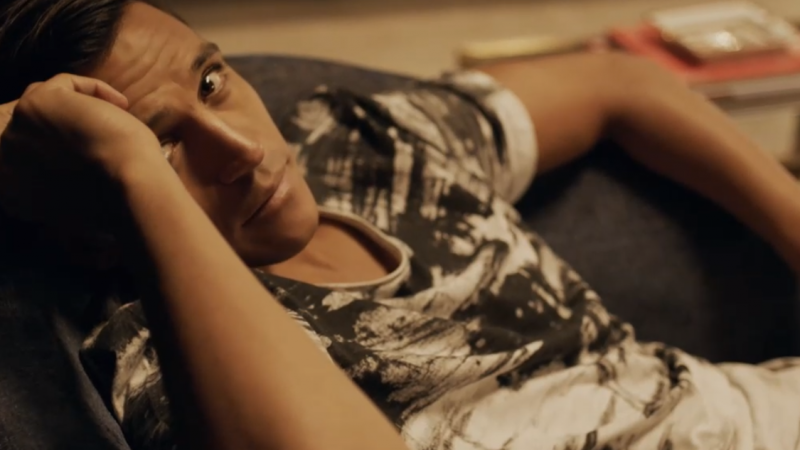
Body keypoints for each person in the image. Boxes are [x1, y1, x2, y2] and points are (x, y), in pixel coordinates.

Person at [2, 0, 800, 449]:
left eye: (212, 82)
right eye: (164, 142)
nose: (242, 150)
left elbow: (620, 82)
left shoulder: (358, 142)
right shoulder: (158, 345)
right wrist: (134, 170)